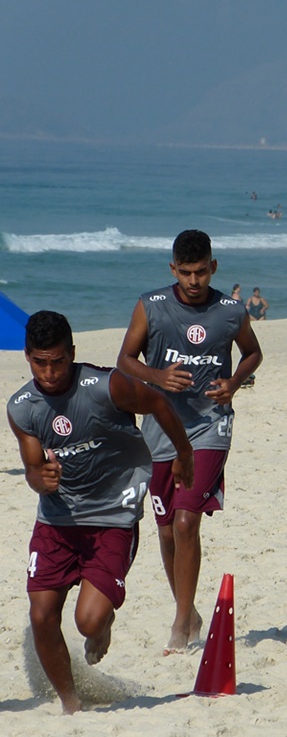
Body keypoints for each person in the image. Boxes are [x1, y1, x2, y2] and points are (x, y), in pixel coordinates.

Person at [8, 311, 194, 713]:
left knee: (88, 622)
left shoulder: (107, 386)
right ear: (27, 356)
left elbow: (159, 403)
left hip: (113, 516)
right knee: (42, 615)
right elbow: (32, 471)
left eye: (58, 361)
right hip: (57, 521)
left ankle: (103, 625)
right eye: (40, 362)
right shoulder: (21, 408)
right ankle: (71, 704)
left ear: (72, 353)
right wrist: (42, 479)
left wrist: (184, 453)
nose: (50, 372)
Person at [117, 229, 263, 654]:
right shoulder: (151, 305)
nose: (194, 280)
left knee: (186, 522)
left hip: (209, 426)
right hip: (160, 428)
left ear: (213, 267)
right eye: (186, 272)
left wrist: (234, 382)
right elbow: (125, 360)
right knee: (166, 532)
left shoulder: (231, 310)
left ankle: (181, 623)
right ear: (173, 269)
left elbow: (253, 353)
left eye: (201, 271)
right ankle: (189, 611)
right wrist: (157, 377)